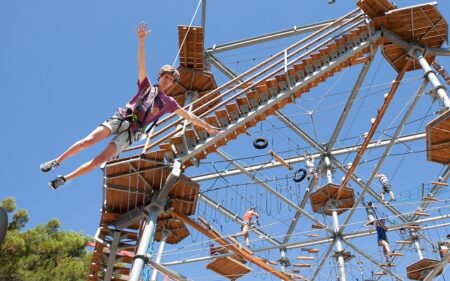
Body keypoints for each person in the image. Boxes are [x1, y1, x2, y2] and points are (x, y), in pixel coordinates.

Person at [40, 22, 220, 190]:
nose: (168, 81)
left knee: (99, 160)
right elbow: (141, 64)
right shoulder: (146, 86)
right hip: (122, 117)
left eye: (172, 80)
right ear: (160, 76)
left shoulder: (169, 102)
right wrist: (141, 42)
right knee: (88, 141)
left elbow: (188, 116)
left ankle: (64, 179)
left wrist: (207, 127)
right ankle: (56, 161)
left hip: (132, 132)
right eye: (166, 77)